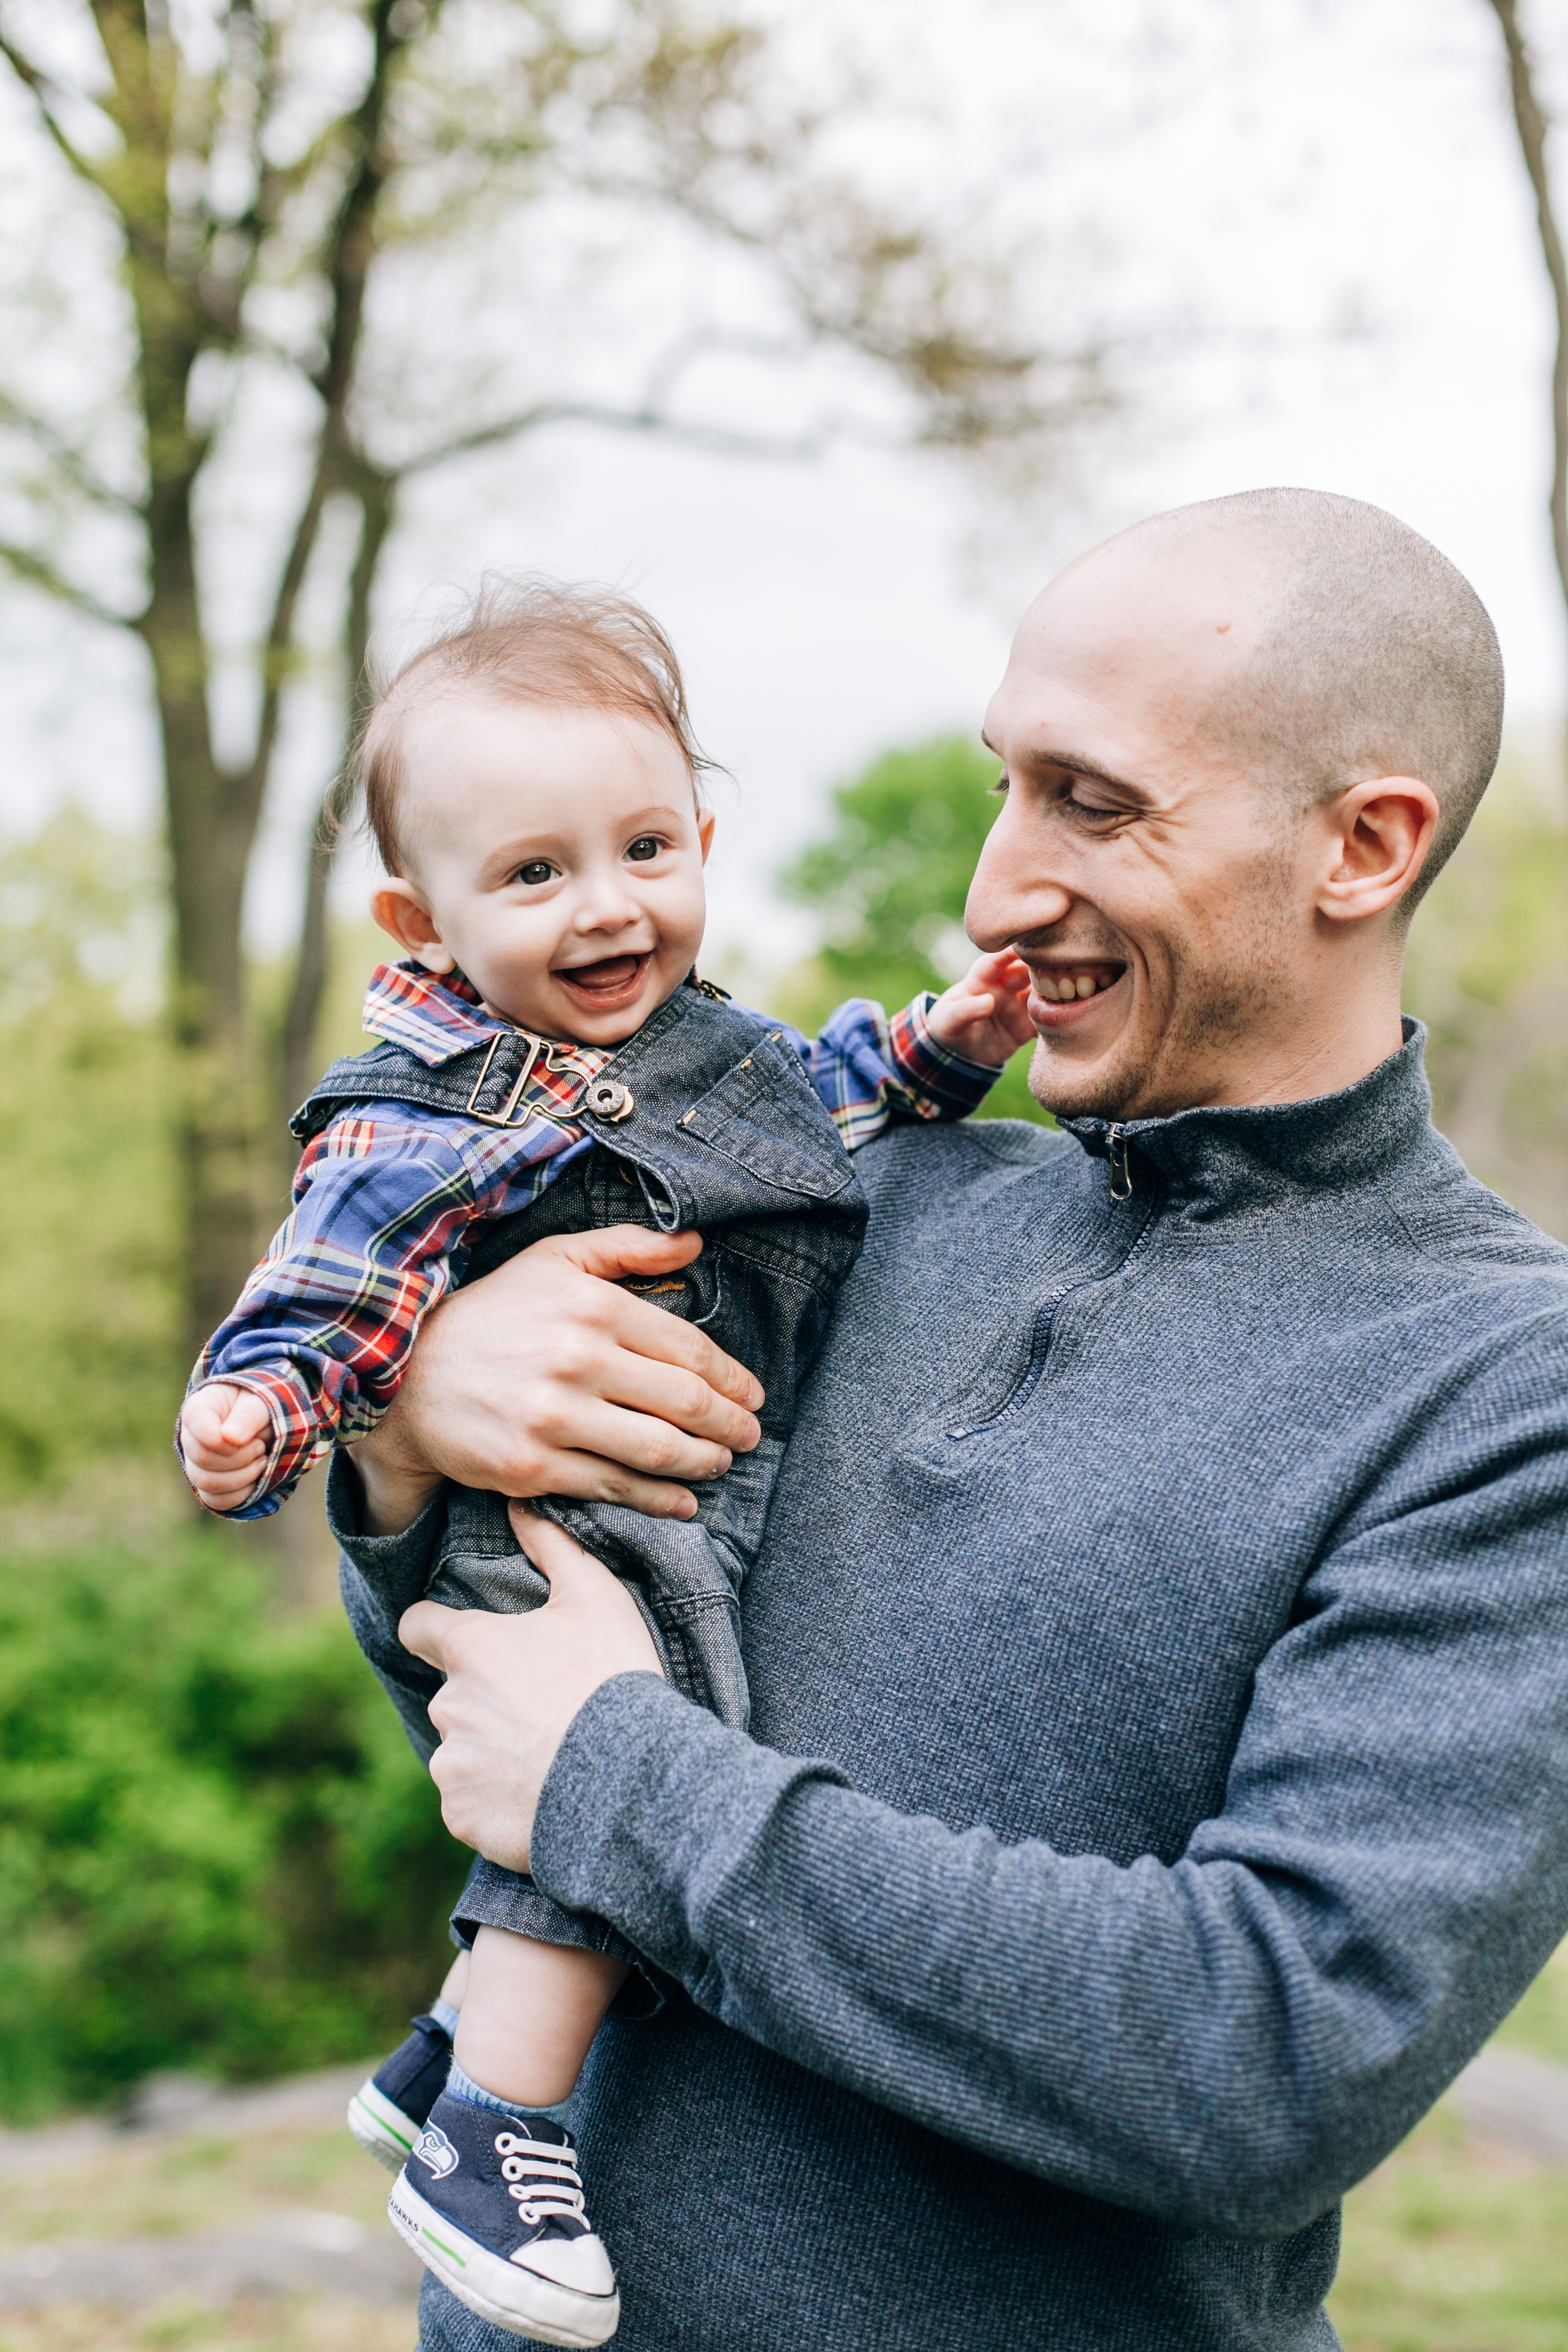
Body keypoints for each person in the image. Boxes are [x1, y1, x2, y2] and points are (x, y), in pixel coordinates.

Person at [328, 488, 1568, 2352]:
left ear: (1360, 847)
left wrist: (629, 1786)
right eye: (1005, 787)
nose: (993, 887)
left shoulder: (1500, 1389)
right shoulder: (866, 1197)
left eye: (1091, 802)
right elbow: (488, 1694)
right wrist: (406, 1440)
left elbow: (1268, 2057)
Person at [174, 578, 1032, 2346]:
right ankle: (495, 2135)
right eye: (533, 875)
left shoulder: (695, 1047)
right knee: (619, 1756)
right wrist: (276, 1400)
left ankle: (439, 2060)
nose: (605, 905)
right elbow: (333, 1274)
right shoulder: (438, 1102)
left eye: (644, 846)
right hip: (568, 1513)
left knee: (634, 1753)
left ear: (703, 838)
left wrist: (937, 1049)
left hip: (659, 1484)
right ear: (423, 917)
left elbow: (819, 1096)